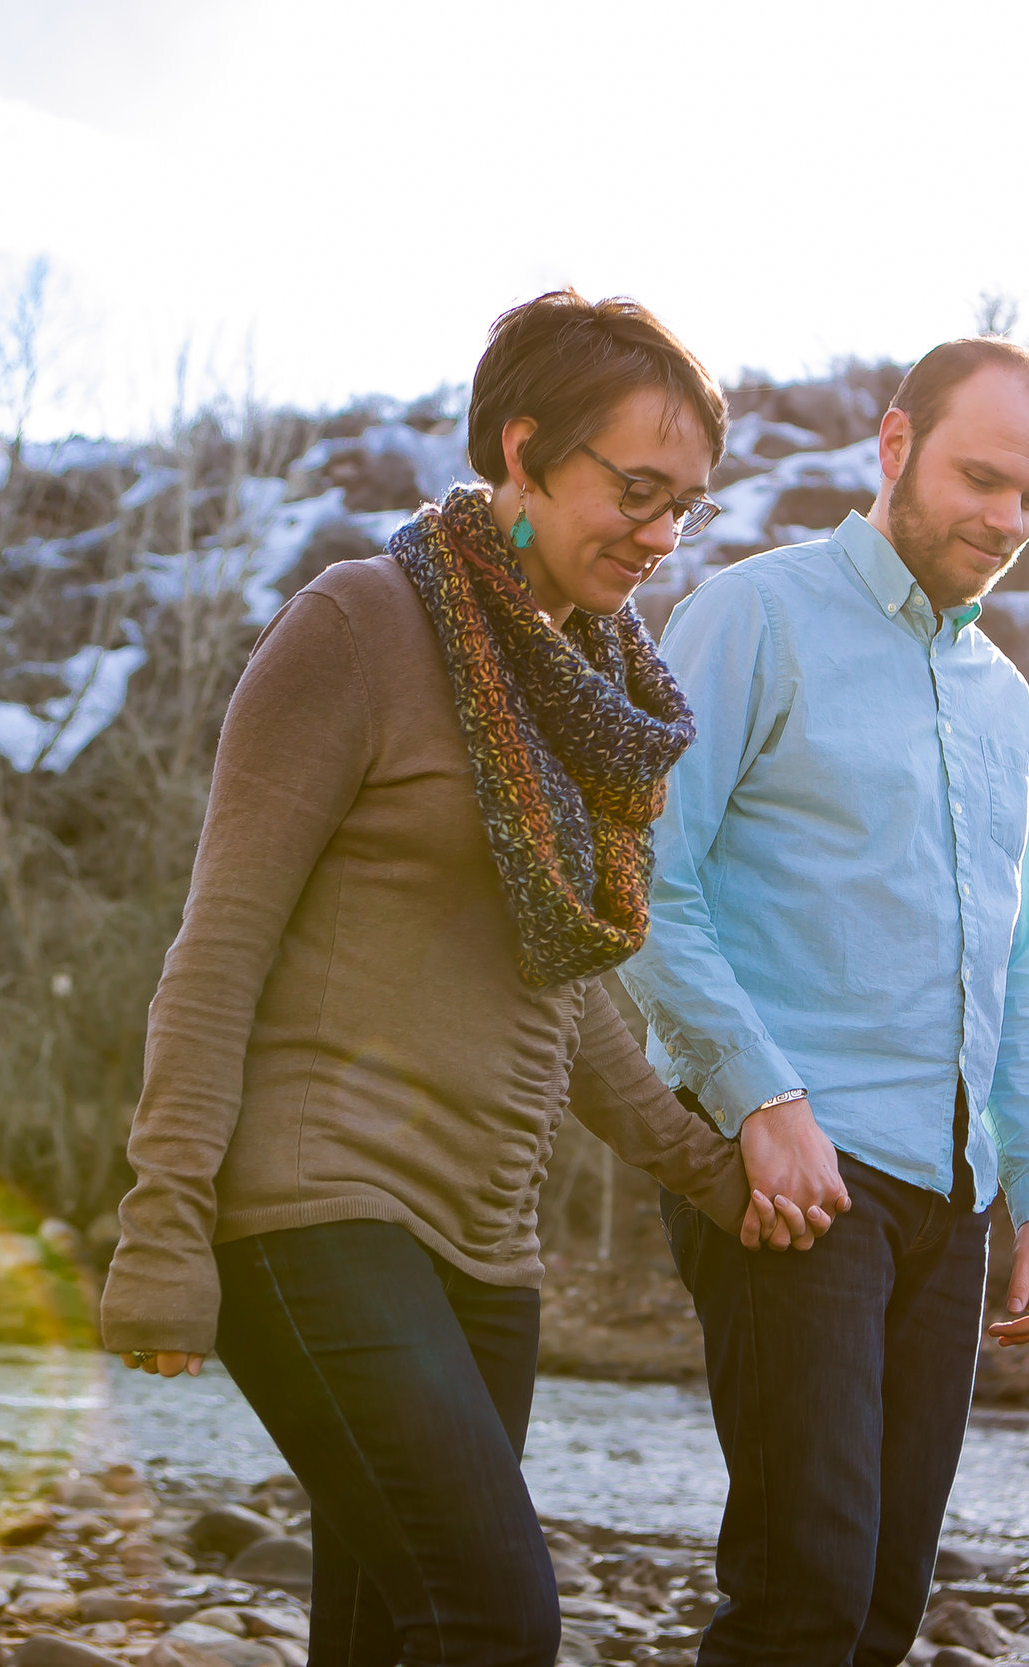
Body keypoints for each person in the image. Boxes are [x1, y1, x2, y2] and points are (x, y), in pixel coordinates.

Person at [98, 290, 827, 1667]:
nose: (663, 536)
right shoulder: (361, 628)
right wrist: (162, 1222)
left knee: (387, 1633)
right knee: (493, 1618)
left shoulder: (579, 695)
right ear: (523, 446)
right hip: (314, 1212)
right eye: (635, 489)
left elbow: (570, 992)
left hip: (487, 1254)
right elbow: (219, 946)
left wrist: (711, 1167)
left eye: (690, 505)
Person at [621, 335, 1029, 1666]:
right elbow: (648, 881)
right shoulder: (752, 615)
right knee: (802, 1598)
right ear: (895, 447)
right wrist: (759, 1095)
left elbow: (1022, 959)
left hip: (952, 1196)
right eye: (982, 479)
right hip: (792, 1172)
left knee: (880, 1609)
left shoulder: (1003, 699)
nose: (1006, 521)